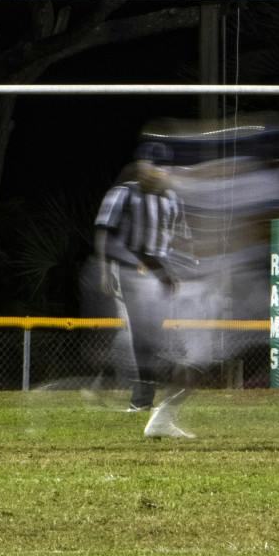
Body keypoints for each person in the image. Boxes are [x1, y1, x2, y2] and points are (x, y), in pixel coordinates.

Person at [94, 141, 191, 438]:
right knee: (141, 337)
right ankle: (140, 400)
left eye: (161, 166)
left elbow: (179, 237)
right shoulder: (124, 194)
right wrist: (104, 269)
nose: (156, 171)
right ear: (140, 165)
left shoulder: (172, 199)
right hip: (131, 273)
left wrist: (181, 269)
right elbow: (105, 232)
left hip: (161, 275)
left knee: (155, 338)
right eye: (151, 164)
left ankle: (136, 393)